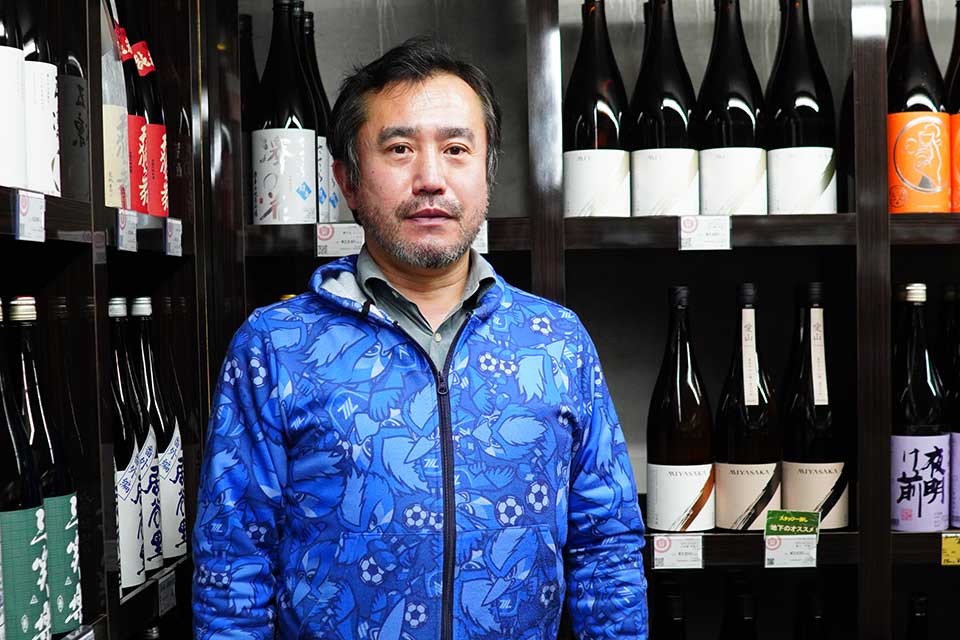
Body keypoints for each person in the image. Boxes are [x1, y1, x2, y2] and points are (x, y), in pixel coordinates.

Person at [193, 36, 648, 639]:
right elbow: (232, 569)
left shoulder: (555, 342)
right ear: (347, 181)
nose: (430, 178)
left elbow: (606, 549)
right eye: (400, 149)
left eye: (456, 149)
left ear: (487, 174)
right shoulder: (276, 347)